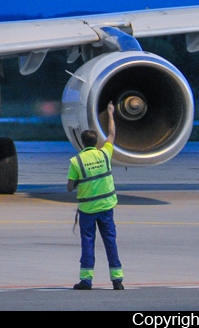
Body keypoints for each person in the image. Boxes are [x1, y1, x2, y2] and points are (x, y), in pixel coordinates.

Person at [67, 102, 124, 290]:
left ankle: (86, 280)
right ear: (96, 142)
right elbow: (112, 134)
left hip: (88, 210)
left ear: (83, 143)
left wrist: (77, 181)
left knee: (88, 244)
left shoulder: (76, 161)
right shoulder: (105, 154)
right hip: (106, 207)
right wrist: (110, 113)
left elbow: (69, 187)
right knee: (110, 242)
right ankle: (117, 280)